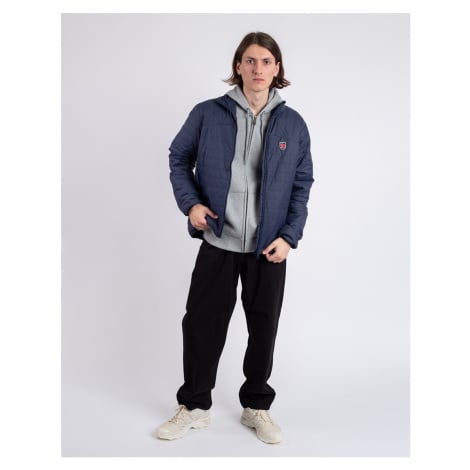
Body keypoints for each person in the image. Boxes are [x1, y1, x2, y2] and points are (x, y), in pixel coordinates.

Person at [157, 31, 314, 444]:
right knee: (201, 326)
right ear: (238, 67)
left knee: (264, 329)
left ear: (277, 69)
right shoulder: (208, 114)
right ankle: (194, 406)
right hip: (218, 240)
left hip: (268, 247)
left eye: (266, 61)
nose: (258, 68)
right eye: (250, 60)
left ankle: (256, 406)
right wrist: (191, 204)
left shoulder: (293, 124)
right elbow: (178, 157)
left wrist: (289, 236)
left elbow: (302, 184)